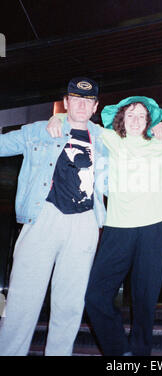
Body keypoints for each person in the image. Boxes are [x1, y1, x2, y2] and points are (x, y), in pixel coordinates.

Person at [48, 95, 162, 356]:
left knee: (145, 301)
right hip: (118, 228)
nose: (136, 120)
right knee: (95, 296)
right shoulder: (110, 138)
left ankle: (139, 355)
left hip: (154, 229)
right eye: (131, 114)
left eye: (142, 115)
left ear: (149, 121)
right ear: (121, 118)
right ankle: (118, 351)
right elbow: (79, 122)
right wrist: (54, 117)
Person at [0, 77, 107, 356]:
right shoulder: (40, 131)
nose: (82, 104)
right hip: (43, 217)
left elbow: (140, 145)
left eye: (88, 100)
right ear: (67, 101)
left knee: (70, 304)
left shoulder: (106, 140)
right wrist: (54, 119)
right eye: (76, 99)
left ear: (95, 107)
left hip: (84, 222)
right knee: (23, 300)